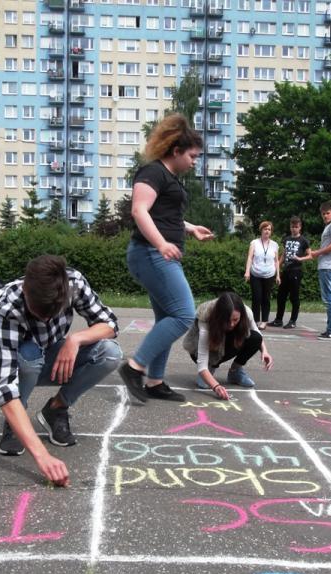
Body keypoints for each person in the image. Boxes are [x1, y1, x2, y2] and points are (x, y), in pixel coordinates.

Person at [0, 254, 121, 487]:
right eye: (39, 313)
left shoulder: (73, 282)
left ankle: (56, 409)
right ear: (25, 290)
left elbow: (109, 323)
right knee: (29, 353)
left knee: (110, 353)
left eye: (52, 313)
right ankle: (16, 421)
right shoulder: (6, 304)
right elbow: (5, 385)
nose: (46, 319)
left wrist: (75, 340)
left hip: (54, 355)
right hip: (22, 362)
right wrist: (42, 455)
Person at [118, 113, 214, 404]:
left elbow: (165, 215)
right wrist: (161, 244)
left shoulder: (168, 178)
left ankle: (155, 382)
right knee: (184, 315)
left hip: (158, 253)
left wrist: (190, 227)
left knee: (167, 318)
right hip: (149, 253)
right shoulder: (152, 172)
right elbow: (139, 211)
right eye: (193, 156)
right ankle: (134, 367)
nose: (195, 162)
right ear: (177, 151)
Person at [183, 291, 273, 400]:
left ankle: (235, 371)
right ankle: (211, 367)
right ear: (219, 316)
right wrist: (216, 386)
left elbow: (257, 332)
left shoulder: (246, 312)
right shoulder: (206, 315)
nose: (231, 324)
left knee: (255, 338)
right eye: (227, 320)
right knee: (205, 384)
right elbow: (201, 365)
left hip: (224, 342)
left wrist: (265, 351)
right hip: (200, 348)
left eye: (235, 320)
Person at [268, 216, 311, 329]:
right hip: (285, 271)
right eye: (292, 226)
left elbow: (310, 255)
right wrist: (277, 265)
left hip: (296, 271)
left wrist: (300, 259)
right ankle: (278, 319)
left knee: (294, 297)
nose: (294, 229)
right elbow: (284, 254)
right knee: (281, 296)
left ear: (300, 227)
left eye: (296, 227)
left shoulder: (304, 240)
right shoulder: (286, 239)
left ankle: (293, 320)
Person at [309, 202, 331, 340]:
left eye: (327, 213)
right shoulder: (329, 226)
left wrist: (317, 252)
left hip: (329, 266)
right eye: (323, 214)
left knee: (330, 299)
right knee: (328, 299)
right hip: (325, 266)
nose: (325, 216)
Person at [244, 221, 280, 330]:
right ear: (261, 230)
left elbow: (276, 261)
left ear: (271, 232)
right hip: (256, 274)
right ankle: (255, 321)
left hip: (269, 274)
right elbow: (250, 257)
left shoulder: (274, 245)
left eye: (269, 229)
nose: (267, 231)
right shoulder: (254, 243)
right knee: (256, 298)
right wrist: (247, 271)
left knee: (266, 298)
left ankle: (264, 321)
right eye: (265, 229)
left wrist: (278, 275)